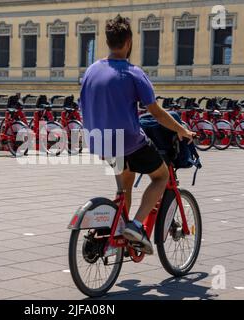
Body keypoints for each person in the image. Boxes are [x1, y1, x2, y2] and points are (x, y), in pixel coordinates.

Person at [80, 15, 194, 254]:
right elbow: (156, 112)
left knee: (124, 188)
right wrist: (181, 129)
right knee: (161, 176)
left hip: (100, 142)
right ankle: (136, 225)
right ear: (129, 41)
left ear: (108, 41)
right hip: (129, 141)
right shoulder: (133, 73)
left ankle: (113, 237)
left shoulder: (91, 70)